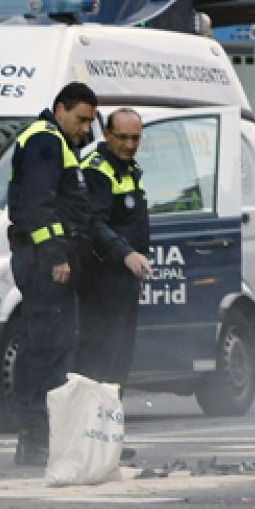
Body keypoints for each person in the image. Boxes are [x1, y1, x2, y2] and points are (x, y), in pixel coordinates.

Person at [7, 81, 98, 467]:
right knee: (44, 349)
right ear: (60, 108)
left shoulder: (56, 141)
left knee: (53, 347)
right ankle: (34, 438)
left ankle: (45, 437)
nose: (84, 129)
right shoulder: (45, 140)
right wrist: (57, 256)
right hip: (44, 262)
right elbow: (38, 208)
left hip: (46, 260)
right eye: (80, 119)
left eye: (90, 121)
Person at [75, 108, 153, 387]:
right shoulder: (97, 170)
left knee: (120, 360)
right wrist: (126, 254)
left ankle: (109, 422)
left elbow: (134, 223)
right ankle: (94, 425)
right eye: (122, 137)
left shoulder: (129, 169)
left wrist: (138, 265)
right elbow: (94, 224)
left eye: (135, 138)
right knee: (100, 361)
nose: (129, 145)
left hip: (124, 280)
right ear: (107, 134)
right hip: (101, 281)